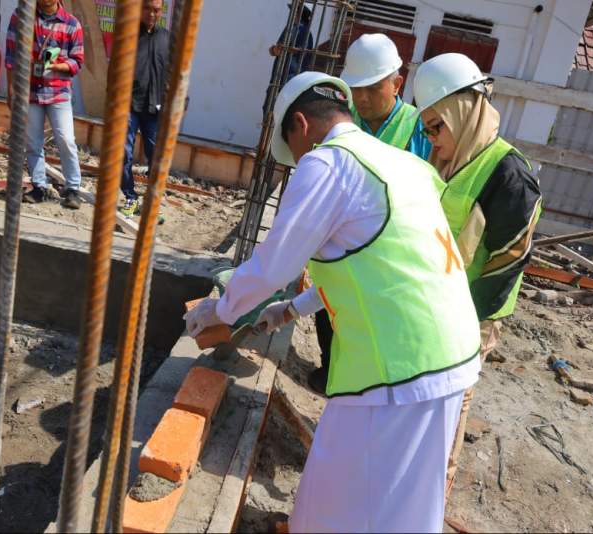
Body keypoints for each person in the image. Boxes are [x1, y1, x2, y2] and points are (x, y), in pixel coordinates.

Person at [184, 71, 482, 532]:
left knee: (335, 492)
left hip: (401, 366)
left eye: (293, 149)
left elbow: (272, 264)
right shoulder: (398, 163)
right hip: (447, 351)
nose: (296, 161)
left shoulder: (328, 163)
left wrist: (219, 310)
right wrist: (291, 309)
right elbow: (380, 266)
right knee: (405, 500)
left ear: (300, 125)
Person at [413, 53, 542, 500]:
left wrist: (462, 326)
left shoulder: (509, 175)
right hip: (432, 310)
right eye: (425, 129)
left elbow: (507, 262)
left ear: (463, 112)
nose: (430, 139)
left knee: (449, 412)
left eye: (436, 127)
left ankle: (429, 503)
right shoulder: (452, 159)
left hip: (470, 320)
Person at [306, 32, 433, 395]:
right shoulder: (346, 123)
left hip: (390, 249)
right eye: (355, 88)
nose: (361, 98)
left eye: (372, 88)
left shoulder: (417, 129)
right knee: (330, 308)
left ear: (397, 83)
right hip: (343, 241)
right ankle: (330, 370)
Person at [6, 0, 85, 209]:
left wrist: (61, 65)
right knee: (33, 142)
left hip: (58, 92)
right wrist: (11, 90)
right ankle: (39, 186)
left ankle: (73, 188)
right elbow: (11, 55)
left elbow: (78, 61)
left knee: (66, 140)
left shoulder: (71, 24)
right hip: (30, 91)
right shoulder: (22, 17)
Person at [118, 0, 170, 216]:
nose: (151, 13)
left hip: (155, 109)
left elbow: (175, 73)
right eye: (147, 8)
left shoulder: (166, 39)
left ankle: (153, 202)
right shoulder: (128, 35)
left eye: (156, 9)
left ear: (161, 11)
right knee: (123, 153)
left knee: (156, 157)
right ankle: (130, 198)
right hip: (128, 106)